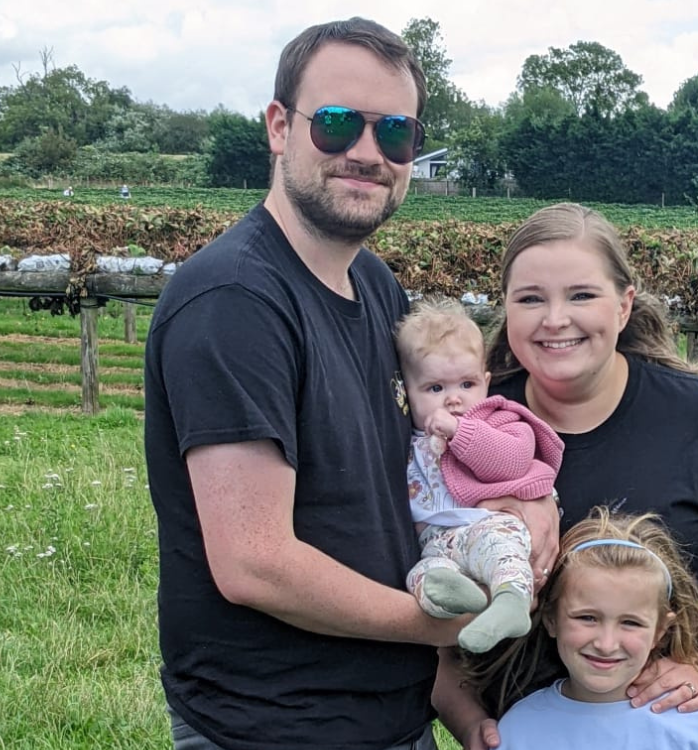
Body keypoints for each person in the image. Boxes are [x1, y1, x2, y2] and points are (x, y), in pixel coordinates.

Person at [142, 18, 557, 750]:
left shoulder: (374, 285)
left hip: (385, 714)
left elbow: (427, 451)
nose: (366, 154)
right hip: (272, 725)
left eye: (394, 134)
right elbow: (254, 564)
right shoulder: (236, 302)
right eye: (336, 125)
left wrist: (528, 501)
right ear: (279, 127)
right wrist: (443, 621)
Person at [434, 203, 698, 750]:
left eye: (581, 295)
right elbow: (423, 599)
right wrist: (468, 721)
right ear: (506, 310)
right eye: (530, 298)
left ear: (624, 305)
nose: (555, 319)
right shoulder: (460, 431)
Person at [484, 508, 698, 750]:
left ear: (660, 630)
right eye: (587, 618)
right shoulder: (518, 728)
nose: (606, 643)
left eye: (630, 623)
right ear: (551, 619)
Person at [395, 298, 565, 654]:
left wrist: (459, 433)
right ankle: (451, 596)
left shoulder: (496, 421)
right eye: (435, 389)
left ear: (486, 383)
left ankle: (511, 602)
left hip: (488, 524)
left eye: (467, 384)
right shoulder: (408, 440)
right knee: (424, 573)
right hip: (437, 539)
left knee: (499, 551)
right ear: (407, 392)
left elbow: (511, 462)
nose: (454, 399)